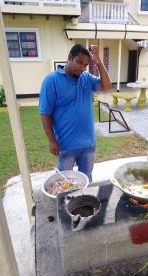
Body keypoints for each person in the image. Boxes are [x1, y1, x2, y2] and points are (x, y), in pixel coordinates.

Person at [39, 44, 111, 181]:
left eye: (85, 65)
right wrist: (52, 140)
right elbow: (45, 113)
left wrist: (98, 63)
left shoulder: (86, 78)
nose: (82, 68)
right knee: (64, 181)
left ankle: (84, 202)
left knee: (86, 180)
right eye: (79, 62)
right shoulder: (51, 81)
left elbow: (106, 87)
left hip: (88, 144)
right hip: (66, 145)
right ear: (69, 57)